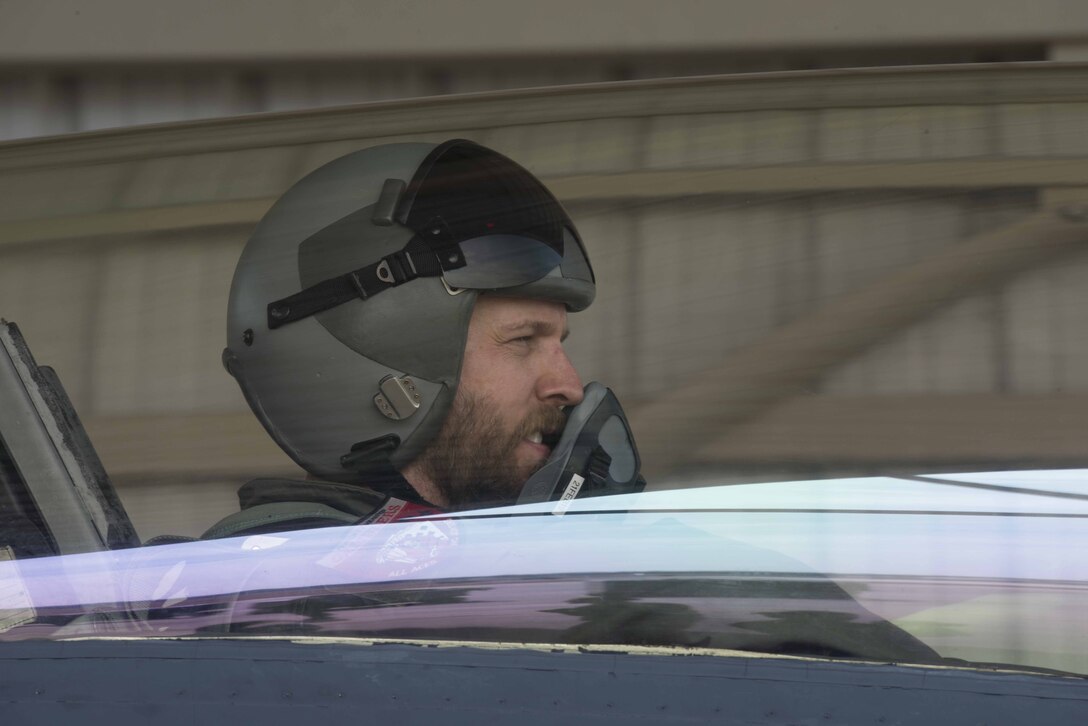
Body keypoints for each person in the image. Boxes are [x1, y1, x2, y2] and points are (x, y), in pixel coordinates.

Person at [205, 139, 596, 538]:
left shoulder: (446, 580)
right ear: (383, 373)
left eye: (559, 344)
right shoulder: (292, 587)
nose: (568, 387)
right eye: (523, 340)